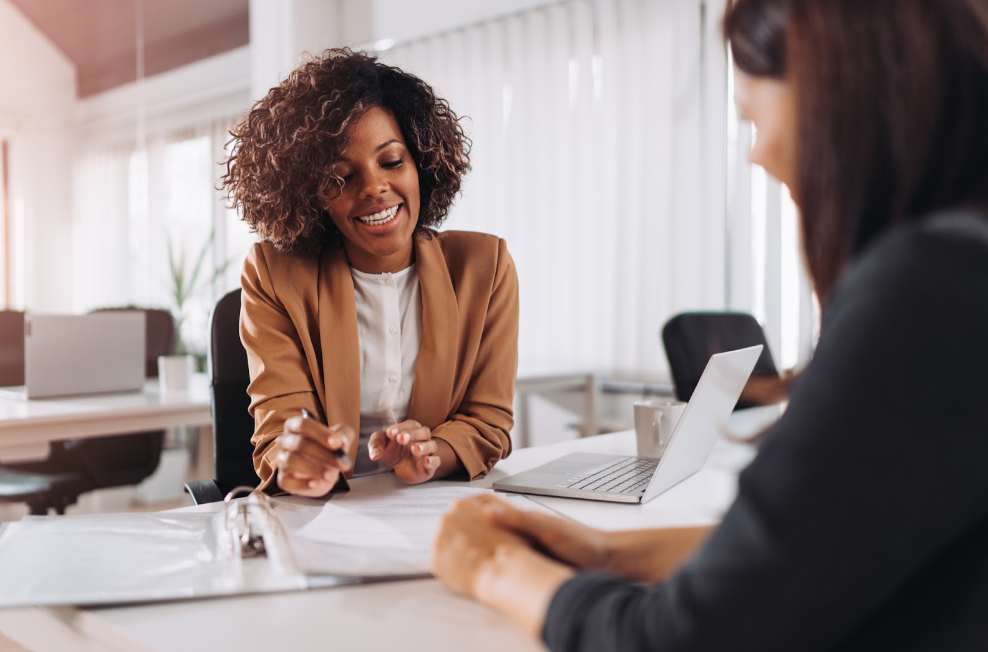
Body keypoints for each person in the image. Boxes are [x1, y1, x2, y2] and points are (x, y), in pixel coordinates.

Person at [431, 0, 988, 649]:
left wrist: (494, 567)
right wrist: (607, 554)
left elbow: (690, 637)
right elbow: (818, 555)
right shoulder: (961, 268)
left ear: (837, 97)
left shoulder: (925, 290)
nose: (759, 154)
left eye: (752, 117)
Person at [222, 49, 518, 496]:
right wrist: (299, 460)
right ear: (311, 195)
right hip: (321, 518)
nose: (374, 188)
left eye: (392, 161)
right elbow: (280, 428)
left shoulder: (484, 267)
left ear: (421, 161)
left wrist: (433, 455)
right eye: (340, 177)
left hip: (434, 509)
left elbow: (487, 421)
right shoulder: (273, 273)